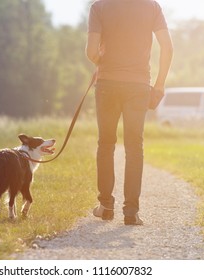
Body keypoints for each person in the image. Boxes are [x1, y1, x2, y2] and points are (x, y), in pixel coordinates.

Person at [86, 0, 173, 225]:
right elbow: (167, 47)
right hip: (138, 86)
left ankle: (105, 206)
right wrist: (160, 84)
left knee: (106, 144)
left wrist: (103, 63)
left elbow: (90, 51)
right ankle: (131, 212)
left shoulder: (100, 7)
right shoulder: (151, 6)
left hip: (107, 85)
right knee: (134, 146)